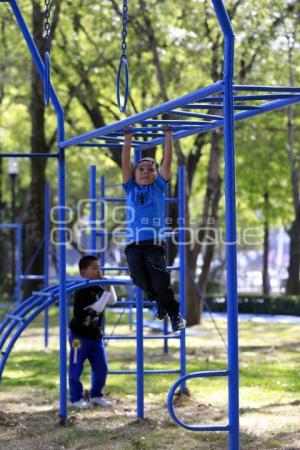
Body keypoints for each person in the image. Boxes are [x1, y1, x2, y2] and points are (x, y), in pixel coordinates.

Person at [121, 124, 186, 332]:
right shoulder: (129, 187)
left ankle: (175, 314)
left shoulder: (159, 188)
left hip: (154, 243)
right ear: (134, 173)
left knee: (159, 278)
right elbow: (124, 161)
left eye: (151, 169)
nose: (146, 172)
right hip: (133, 244)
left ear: (157, 175)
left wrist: (169, 135)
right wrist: (128, 138)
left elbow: (167, 161)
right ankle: (158, 301)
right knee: (139, 278)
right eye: (141, 169)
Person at [69, 255, 117, 409]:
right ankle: (76, 398)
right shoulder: (81, 290)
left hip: (96, 337)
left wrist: (109, 286)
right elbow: (95, 310)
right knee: (76, 368)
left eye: (99, 268)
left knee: (102, 368)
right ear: (84, 272)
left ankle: (96, 395)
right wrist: (106, 291)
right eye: (94, 268)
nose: (98, 271)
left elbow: (112, 301)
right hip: (79, 337)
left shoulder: (98, 286)